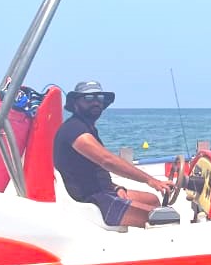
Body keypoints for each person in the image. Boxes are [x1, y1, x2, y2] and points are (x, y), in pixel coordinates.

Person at [53, 80, 170, 228]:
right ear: (75, 103)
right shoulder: (74, 129)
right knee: (164, 218)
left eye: (99, 98)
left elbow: (91, 172)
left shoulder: (87, 128)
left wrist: (116, 187)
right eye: (88, 98)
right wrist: (151, 180)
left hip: (104, 191)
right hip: (91, 199)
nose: (95, 102)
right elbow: (107, 160)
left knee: (152, 200)